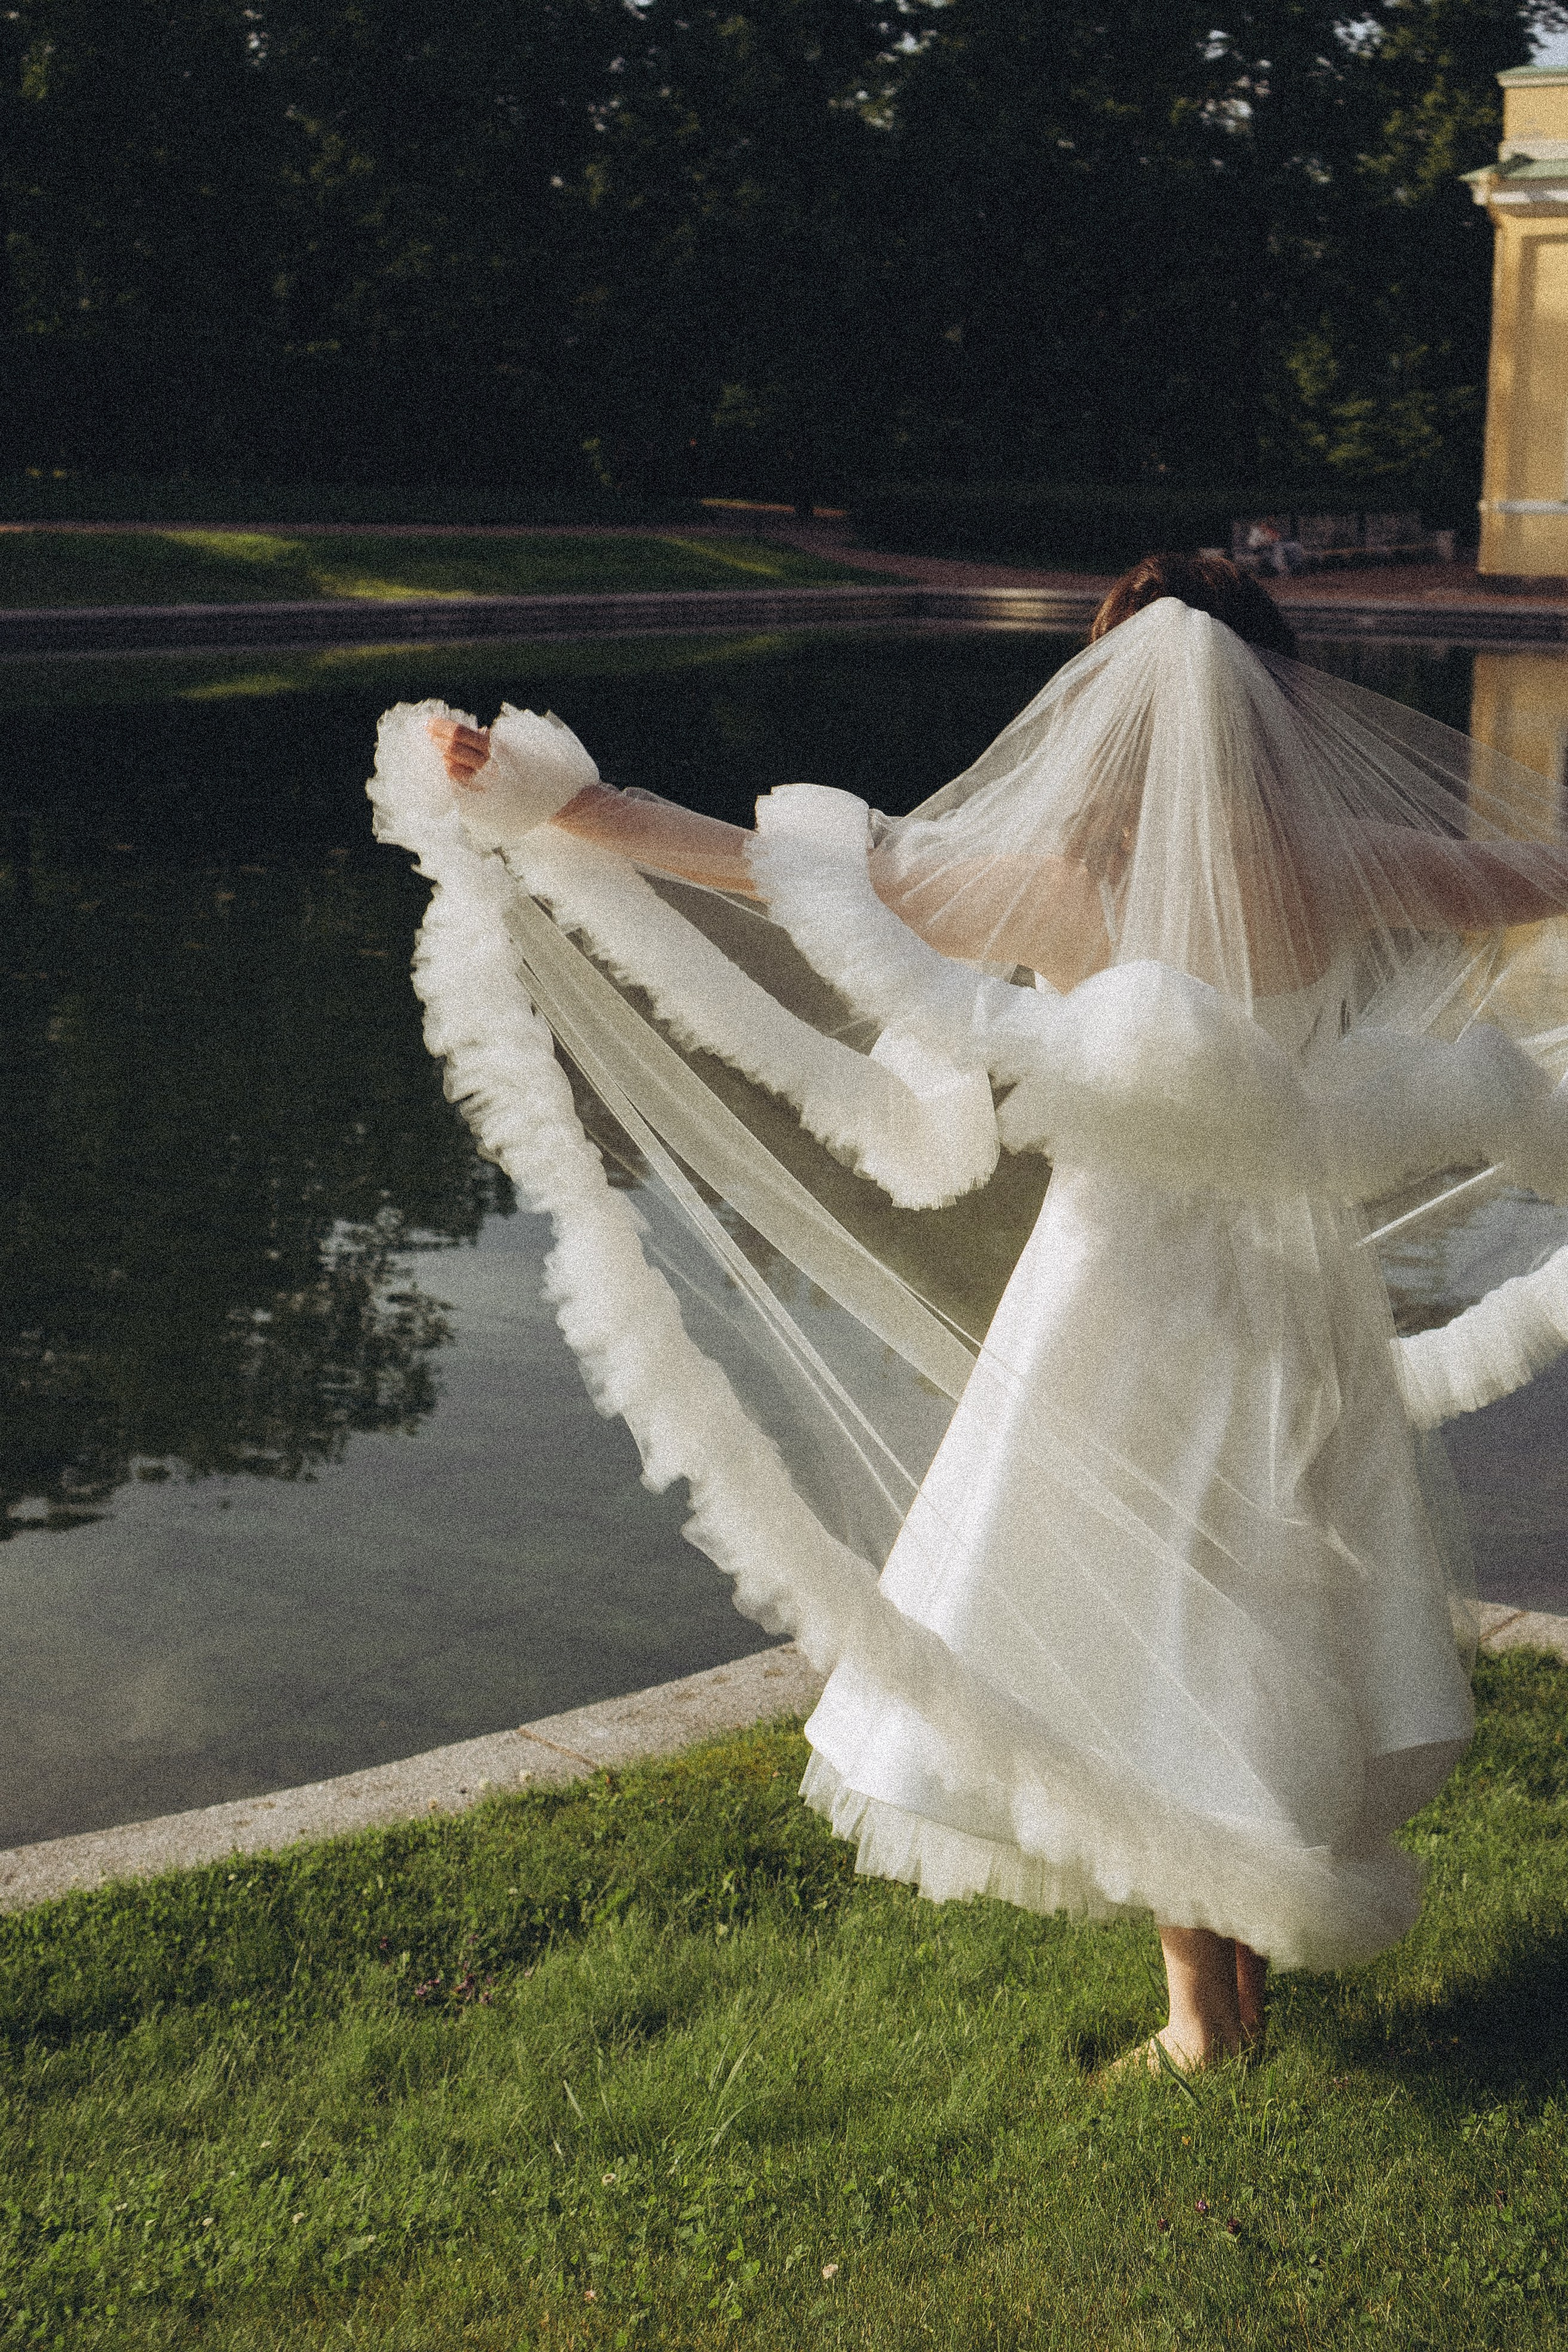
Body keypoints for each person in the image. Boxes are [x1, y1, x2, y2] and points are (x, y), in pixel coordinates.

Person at [383, 552, 1568, 2075]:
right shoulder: (1341, 864)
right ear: (1274, 704)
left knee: (1140, 1612)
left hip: (1116, 1287)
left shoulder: (1056, 883)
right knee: (1266, 1592)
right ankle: (1235, 1971)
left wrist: (544, 796)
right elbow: (1539, 881)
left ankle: (1207, 2018)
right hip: (1288, 1286)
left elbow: (762, 865)